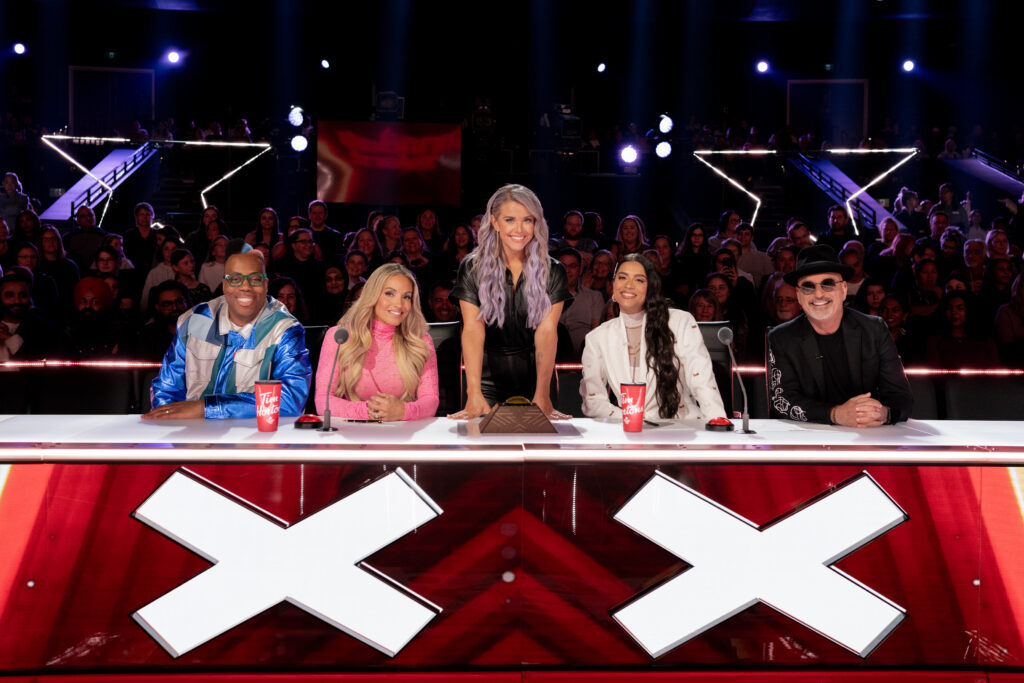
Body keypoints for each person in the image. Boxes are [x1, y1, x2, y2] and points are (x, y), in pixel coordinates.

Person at [449, 184, 571, 419]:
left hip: (538, 382)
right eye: (510, 220)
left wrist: (543, 394)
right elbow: (473, 330)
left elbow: (546, 332)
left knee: (541, 454)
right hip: (486, 382)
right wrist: (474, 393)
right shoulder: (472, 268)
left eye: (528, 220)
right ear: (494, 222)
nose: (520, 228)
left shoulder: (553, 271)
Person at [146, 249, 311, 420]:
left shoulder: (284, 329)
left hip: (253, 437)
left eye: (255, 279)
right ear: (224, 285)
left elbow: (291, 401)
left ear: (266, 285)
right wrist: (168, 421)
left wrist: (207, 408)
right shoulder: (193, 321)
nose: (246, 287)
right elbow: (166, 388)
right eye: (236, 279)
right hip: (193, 435)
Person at [767, 245, 914, 426]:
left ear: (843, 289)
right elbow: (782, 402)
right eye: (808, 287)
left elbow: (901, 396)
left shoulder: (874, 330)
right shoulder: (781, 338)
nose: (818, 294)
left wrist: (884, 414)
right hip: (810, 438)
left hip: (869, 435)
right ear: (798, 295)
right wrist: (835, 414)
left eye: (827, 284)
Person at [580, 254, 725, 420]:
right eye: (622, 277)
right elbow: (593, 400)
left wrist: (717, 419)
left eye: (639, 280)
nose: (628, 285)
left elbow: (702, 379)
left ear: (650, 287)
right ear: (613, 285)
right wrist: (632, 419)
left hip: (681, 427)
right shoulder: (597, 338)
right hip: (628, 432)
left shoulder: (680, 321)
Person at [314, 263, 438, 421]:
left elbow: (431, 401)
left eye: (406, 296)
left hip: (402, 434)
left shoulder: (420, 341)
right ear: (373, 295)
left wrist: (403, 411)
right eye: (389, 293)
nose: (399, 304)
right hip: (353, 434)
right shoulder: (340, 337)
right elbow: (323, 401)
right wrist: (372, 412)